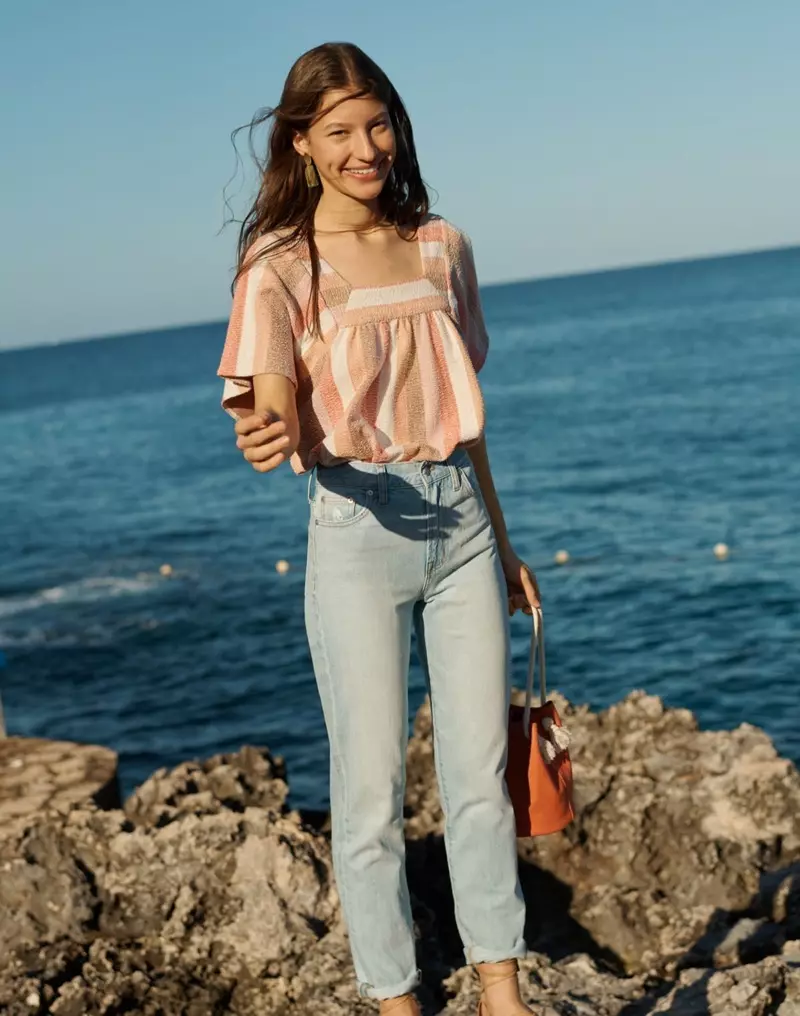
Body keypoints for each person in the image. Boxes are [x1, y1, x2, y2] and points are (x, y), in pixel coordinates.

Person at [217, 42, 542, 1016]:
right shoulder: (279, 263)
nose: (365, 146)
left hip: (461, 527)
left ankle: (499, 987)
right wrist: (262, 427)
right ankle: (395, 998)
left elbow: (465, 409)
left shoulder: (442, 244)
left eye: (377, 123)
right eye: (339, 131)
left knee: (479, 775)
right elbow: (266, 394)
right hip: (355, 529)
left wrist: (506, 539)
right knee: (366, 795)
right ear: (301, 143)